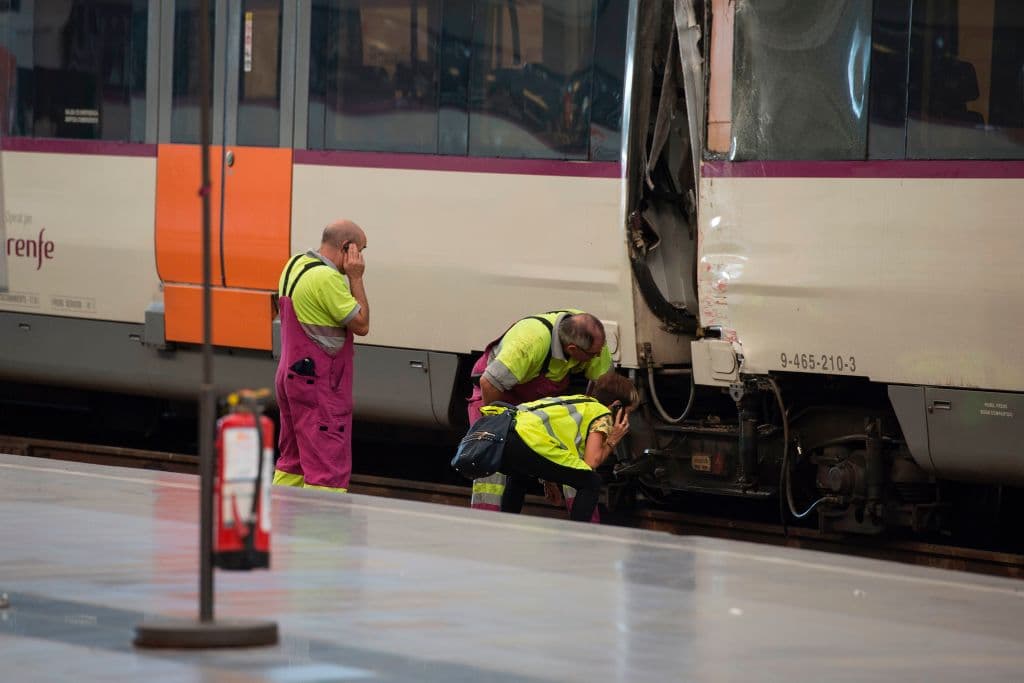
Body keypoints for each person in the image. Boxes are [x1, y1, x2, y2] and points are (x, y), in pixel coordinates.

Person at [467, 309, 615, 512]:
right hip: (497, 395)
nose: (599, 356)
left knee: (573, 455)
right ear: (572, 348)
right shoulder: (529, 342)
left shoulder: (593, 340)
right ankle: (488, 523)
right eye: (593, 355)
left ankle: (583, 526)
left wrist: (550, 473)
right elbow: (489, 383)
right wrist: (501, 429)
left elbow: (604, 390)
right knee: (495, 459)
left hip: (534, 403)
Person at [272, 219, 369, 492]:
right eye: (359, 250)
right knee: (327, 468)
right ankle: (323, 530)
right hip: (321, 385)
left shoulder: (295, 265)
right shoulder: (327, 278)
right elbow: (361, 324)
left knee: (292, 460)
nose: (360, 257)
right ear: (346, 247)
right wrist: (356, 278)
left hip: (290, 377)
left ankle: (283, 519)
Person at [480, 372, 638, 522]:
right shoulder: (602, 413)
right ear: (616, 406)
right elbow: (591, 462)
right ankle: (576, 538)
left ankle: (504, 525)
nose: (627, 419)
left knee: (520, 474)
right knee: (591, 482)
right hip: (525, 440)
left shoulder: (579, 401)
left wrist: (549, 479)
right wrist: (613, 440)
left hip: (506, 433)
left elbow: (552, 445)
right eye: (628, 412)